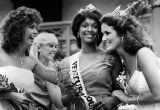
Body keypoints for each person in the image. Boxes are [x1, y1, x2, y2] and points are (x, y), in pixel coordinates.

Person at [61, 3, 122, 110]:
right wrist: (72, 94)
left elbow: (123, 90)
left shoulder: (111, 57)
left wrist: (113, 99)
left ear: (99, 31)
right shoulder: (66, 62)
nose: (90, 29)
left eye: (95, 26)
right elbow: (63, 101)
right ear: (78, 31)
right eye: (85, 25)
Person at [100, 0, 160, 110]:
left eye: (107, 33)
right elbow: (124, 95)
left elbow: (158, 95)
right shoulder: (122, 61)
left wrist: (128, 100)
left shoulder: (143, 53)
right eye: (102, 34)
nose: (103, 39)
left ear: (122, 33)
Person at [0, 6, 59, 110]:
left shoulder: (31, 60)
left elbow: (56, 78)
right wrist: (9, 95)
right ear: (17, 29)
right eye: (32, 27)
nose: (36, 32)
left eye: (36, 28)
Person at [28, 32, 66, 110]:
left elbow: (59, 104)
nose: (55, 50)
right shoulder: (26, 67)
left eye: (56, 46)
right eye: (51, 46)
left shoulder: (54, 71)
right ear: (39, 48)